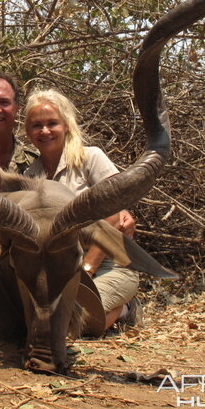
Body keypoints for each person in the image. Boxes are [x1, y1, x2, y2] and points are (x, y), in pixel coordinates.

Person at [22, 87, 141, 331]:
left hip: (107, 266)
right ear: (27, 131)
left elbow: (115, 213)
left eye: (52, 123)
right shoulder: (30, 175)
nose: (44, 131)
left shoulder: (91, 158)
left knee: (69, 323)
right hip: (60, 274)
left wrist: (87, 268)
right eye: (37, 125)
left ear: (66, 125)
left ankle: (126, 310)